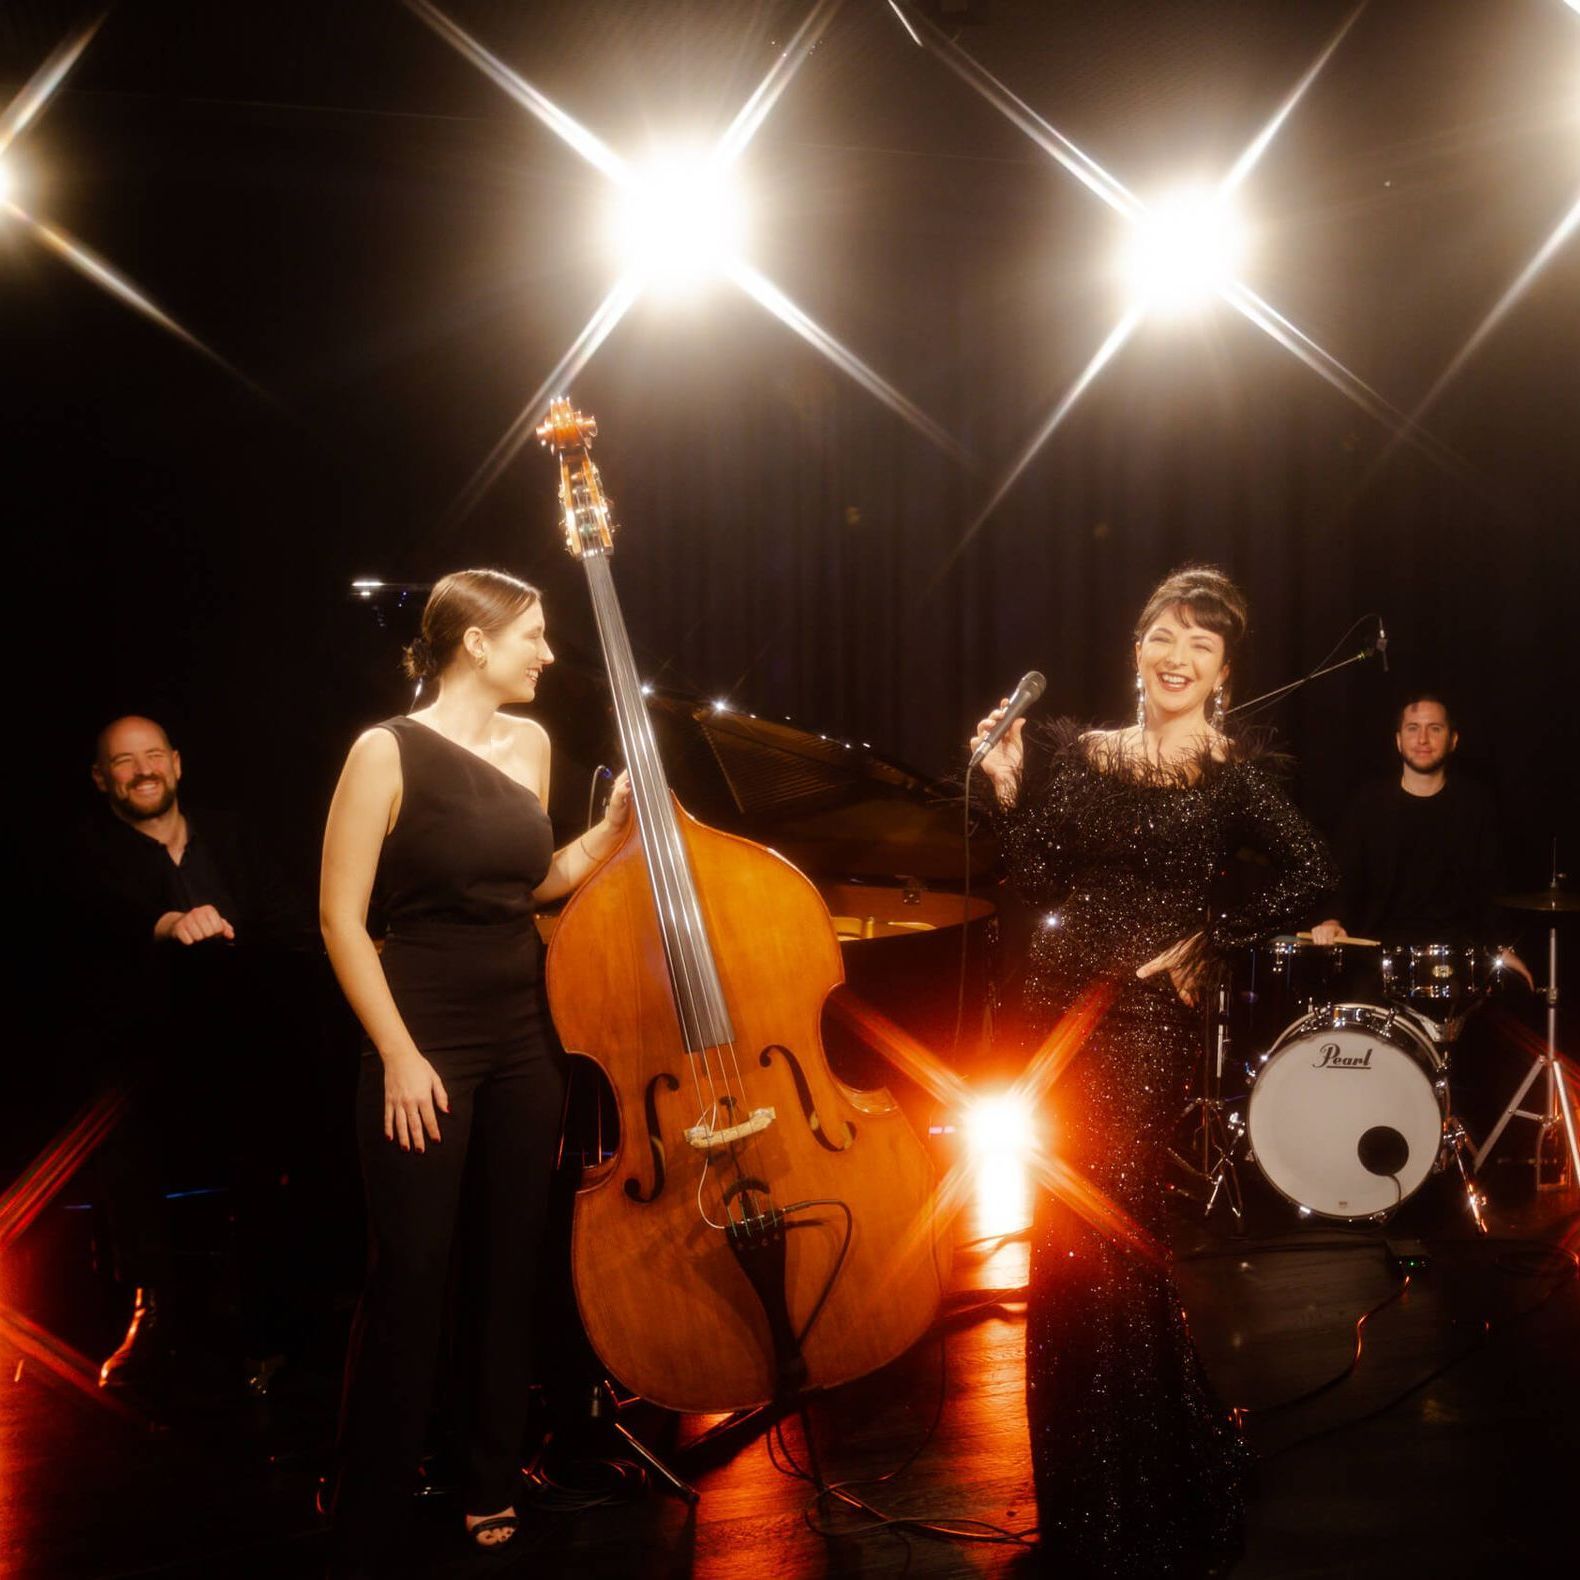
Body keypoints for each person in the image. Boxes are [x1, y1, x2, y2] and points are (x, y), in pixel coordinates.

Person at [971, 565, 1336, 1575]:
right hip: (1052, 1015)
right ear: (1136, 646)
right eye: (1163, 636)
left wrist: (1206, 934)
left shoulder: (1229, 774)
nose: (1177, 656)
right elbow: (1038, 873)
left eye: (1200, 646)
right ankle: (1091, 1486)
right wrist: (1006, 792)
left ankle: (1142, 1487)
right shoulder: (1080, 753)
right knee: (1061, 1247)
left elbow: (1313, 870)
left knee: (1112, 1244)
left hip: (1139, 1025)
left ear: (1220, 673)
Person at [319, 569, 629, 1567]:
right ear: (472, 643)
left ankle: (488, 1475)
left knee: (510, 1266)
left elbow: (526, 883)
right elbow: (340, 918)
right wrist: (399, 1051)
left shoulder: (530, 745)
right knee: (411, 1271)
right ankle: (369, 1484)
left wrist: (609, 830)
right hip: (424, 1031)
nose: (546, 652)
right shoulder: (384, 750)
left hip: (522, 1031)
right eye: (531, 634)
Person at [76, 714, 303, 1390]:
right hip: (145, 1061)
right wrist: (169, 923)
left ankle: (274, 1328)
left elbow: (286, 923)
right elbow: (89, 923)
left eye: (153, 755)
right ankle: (155, 1312)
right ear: (101, 779)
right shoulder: (90, 851)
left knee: (275, 1134)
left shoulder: (234, 836)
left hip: (247, 1052)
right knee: (120, 1127)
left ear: (177, 764)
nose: (142, 770)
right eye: (124, 761)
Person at [1309, 693, 1532, 988]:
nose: (1423, 739)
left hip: (1453, 964)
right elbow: (1343, 876)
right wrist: (1332, 921)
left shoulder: (1475, 806)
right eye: (1413, 728)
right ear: (1398, 740)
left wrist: (1504, 948)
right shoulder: (1367, 805)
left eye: (1435, 728)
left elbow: (1493, 889)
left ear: (1453, 740)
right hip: (1375, 962)